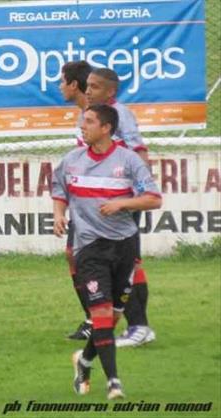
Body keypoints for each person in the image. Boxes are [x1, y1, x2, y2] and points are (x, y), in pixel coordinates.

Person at [52, 104, 162, 399]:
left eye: (88, 122)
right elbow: (59, 191)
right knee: (99, 313)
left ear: (106, 129)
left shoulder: (128, 162)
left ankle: (84, 361)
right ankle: (114, 382)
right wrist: (59, 213)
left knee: (111, 317)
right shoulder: (71, 161)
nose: (82, 126)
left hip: (124, 246)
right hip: (89, 247)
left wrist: (122, 204)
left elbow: (153, 199)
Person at [86, 68, 155, 347]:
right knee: (115, 263)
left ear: (110, 92)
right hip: (102, 201)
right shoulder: (91, 116)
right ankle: (118, 324)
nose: (88, 90)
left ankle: (139, 326)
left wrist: (140, 193)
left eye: (95, 86)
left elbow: (139, 152)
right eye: (87, 85)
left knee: (127, 263)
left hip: (122, 200)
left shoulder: (120, 114)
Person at [59, 60, 94, 340]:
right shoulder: (83, 118)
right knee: (73, 255)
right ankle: (93, 319)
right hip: (83, 201)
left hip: (100, 201)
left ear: (73, 85)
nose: (60, 87)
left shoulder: (98, 118)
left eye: (62, 81)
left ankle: (134, 323)